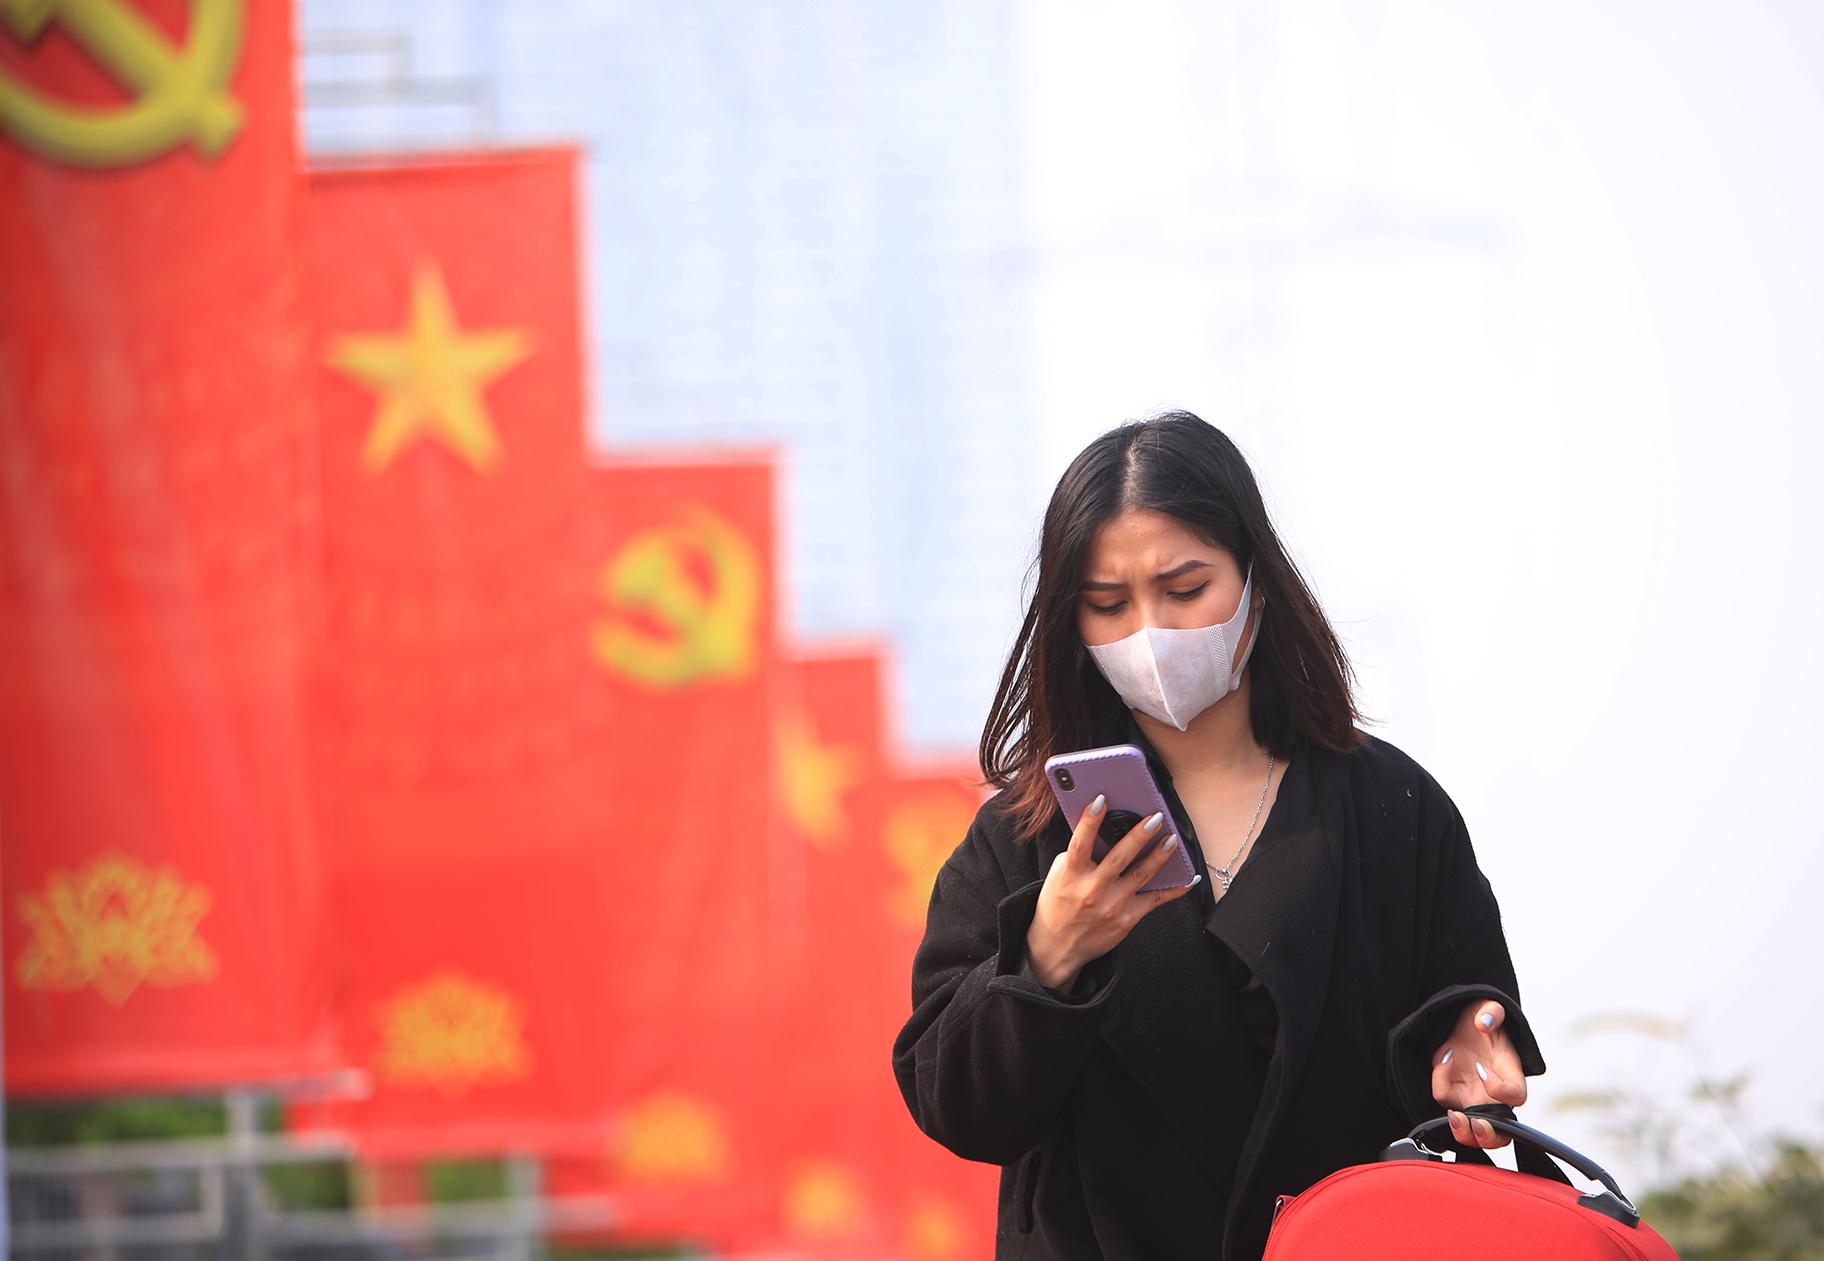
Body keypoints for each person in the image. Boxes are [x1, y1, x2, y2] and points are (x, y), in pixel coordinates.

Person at [891, 412, 1546, 1260]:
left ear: (1257, 581)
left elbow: (1468, 1026)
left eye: (1184, 587)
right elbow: (955, 1105)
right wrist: (1045, 958)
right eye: (1107, 604)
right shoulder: (1023, 838)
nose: (1149, 633)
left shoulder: (1393, 808)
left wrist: (1471, 1061)